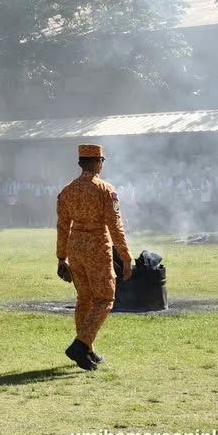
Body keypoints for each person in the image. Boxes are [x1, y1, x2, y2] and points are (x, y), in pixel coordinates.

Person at [56, 144, 133, 371]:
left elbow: (62, 226)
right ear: (99, 162)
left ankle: (87, 351)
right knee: (105, 299)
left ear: (81, 164)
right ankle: (80, 345)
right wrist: (127, 257)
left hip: (75, 247)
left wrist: (61, 257)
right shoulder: (105, 190)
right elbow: (115, 226)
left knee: (85, 299)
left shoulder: (67, 190)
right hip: (98, 247)